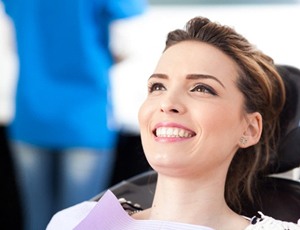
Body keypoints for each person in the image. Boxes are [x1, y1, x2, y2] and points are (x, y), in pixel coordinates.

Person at [46, 16, 300, 229]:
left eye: (202, 88)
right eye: (158, 86)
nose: (167, 103)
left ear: (250, 128)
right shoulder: (75, 222)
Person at [1, 0, 147, 230]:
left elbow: (13, 42)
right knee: (80, 223)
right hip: (85, 118)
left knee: (38, 220)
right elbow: (127, 43)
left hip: (31, 113)